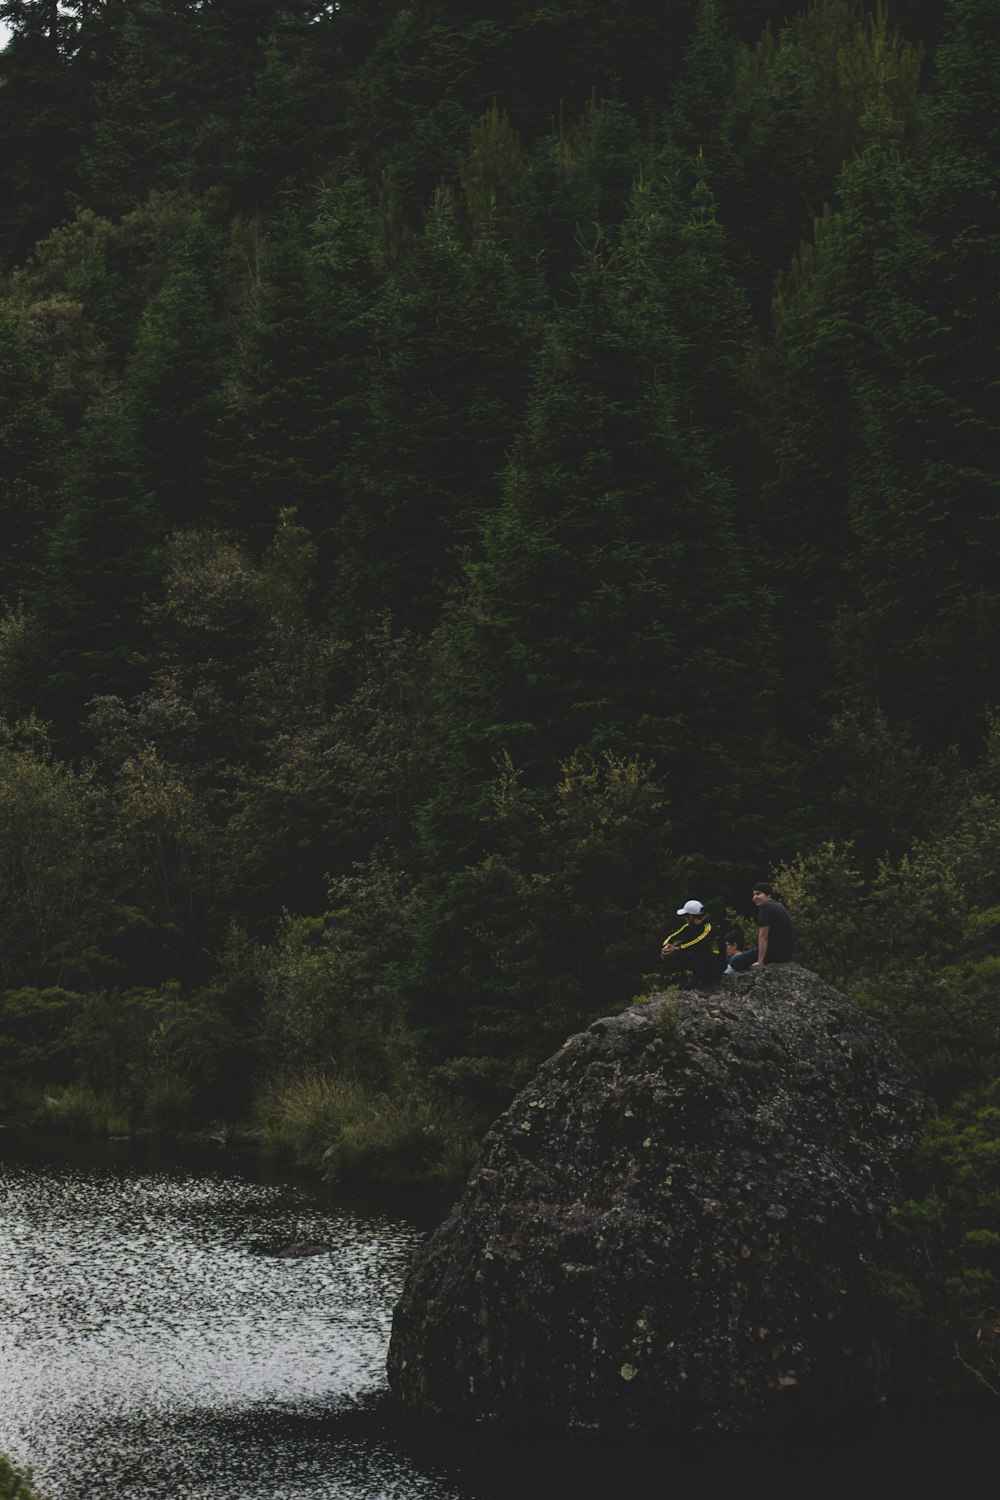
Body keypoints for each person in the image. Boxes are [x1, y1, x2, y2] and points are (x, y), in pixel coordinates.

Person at [728, 882, 795, 971]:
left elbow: (763, 936)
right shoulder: (779, 905)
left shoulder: (765, 907)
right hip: (787, 952)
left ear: (768, 895)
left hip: (774, 952)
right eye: (753, 895)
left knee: (734, 961)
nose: (754, 897)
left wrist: (760, 961)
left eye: (758, 894)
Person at [661, 900, 723, 987]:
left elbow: (699, 942)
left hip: (714, 964)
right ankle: (682, 980)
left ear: (691, 916)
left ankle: (696, 981)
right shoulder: (688, 927)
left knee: (701, 950)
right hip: (698, 961)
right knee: (673, 953)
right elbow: (673, 937)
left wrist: (677, 948)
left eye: (685, 916)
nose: (684, 918)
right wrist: (666, 947)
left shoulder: (710, 928)